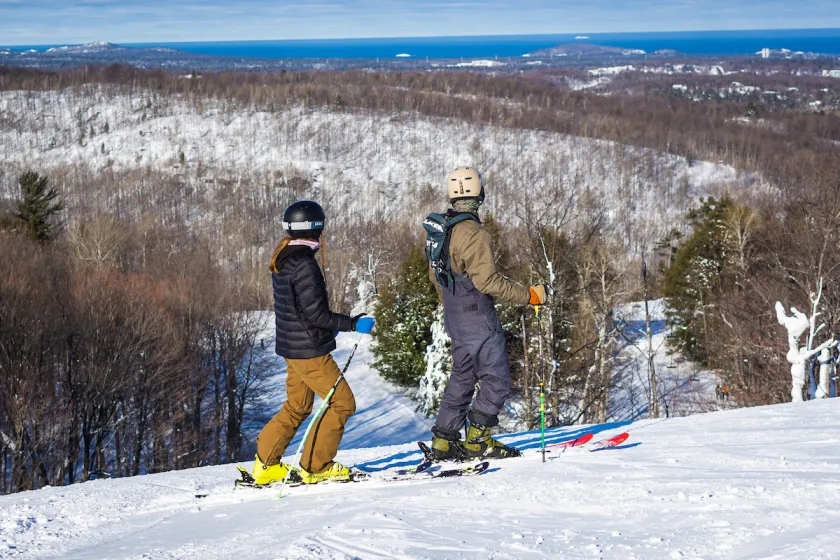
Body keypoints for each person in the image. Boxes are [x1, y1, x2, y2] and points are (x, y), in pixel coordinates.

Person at [426, 167, 549, 461]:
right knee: (496, 380)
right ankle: (477, 442)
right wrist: (530, 295)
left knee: (463, 377)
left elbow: (435, 278)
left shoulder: (442, 228)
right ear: (479, 194)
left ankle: (443, 441)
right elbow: (487, 282)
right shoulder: (474, 232)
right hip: (477, 316)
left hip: (454, 315)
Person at [252, 200, 374, 485]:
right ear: (316, 229)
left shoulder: (283, 257)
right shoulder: (304, 264)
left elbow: (297, 310)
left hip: (293, 348)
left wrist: (326, 329)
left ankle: (266, 465)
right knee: (343, 404)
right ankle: (315, 466)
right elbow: (316, 314)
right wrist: (353, 323)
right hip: (309, 352)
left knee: (297, 406)